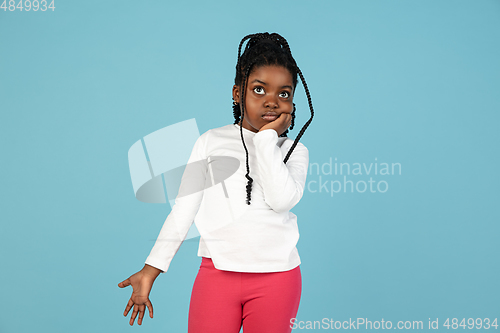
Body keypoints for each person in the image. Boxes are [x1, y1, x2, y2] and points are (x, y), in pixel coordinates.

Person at [118, 32, 315, 333]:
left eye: (284, 94)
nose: (272, 102)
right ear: (237, 93)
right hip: (217, 275)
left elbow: (281, 200)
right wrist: (151, 268)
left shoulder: (294, 151)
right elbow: (184, 210)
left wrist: (266, 141)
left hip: (277, 278)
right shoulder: (211, 142)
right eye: (259, 89)